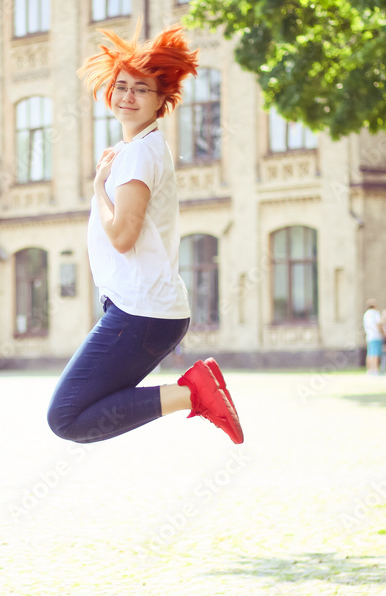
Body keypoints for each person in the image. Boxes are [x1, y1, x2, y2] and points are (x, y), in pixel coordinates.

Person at [47, 24, 242, 445]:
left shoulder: (138, 155)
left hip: (142, 311)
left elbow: (121, 236)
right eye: (121, 87)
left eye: (141, 89)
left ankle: (194, 391)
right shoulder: (145, 148)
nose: (128, 96)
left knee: (66, 416)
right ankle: (194, 390)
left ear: (161, 101)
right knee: (74, 412)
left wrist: (98, 189)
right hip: (145, 309)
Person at [362, 299, 383, 375]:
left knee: (370, 354)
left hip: (369, 336)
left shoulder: (366, 314)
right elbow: (379, 324)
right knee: (375, 354)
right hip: (376, 336)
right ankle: (375, 370)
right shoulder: (375, 313)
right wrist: (383, 333)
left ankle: (369, 370)